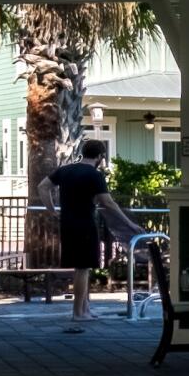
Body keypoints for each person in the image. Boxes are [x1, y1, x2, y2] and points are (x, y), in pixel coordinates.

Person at [49, 137, 112, 330]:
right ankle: (78, 313)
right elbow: (107, 202)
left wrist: (51, 208)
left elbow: (43, 186)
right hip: (85, 223)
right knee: (82, 268)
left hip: (68, 222)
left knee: (83, 267)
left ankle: (85, 309)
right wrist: (129, 223)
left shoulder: (66, 169)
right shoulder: (94, 174)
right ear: (100, 156)